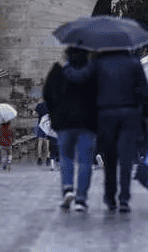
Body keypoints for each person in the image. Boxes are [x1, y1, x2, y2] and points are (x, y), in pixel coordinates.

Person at [89, 48, 148, 213]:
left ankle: (110, 196)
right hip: (129, 114)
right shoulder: (133, 63)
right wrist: (146, 117)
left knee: (109, 158)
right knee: (126, 158)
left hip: (105, 114)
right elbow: (145, 92)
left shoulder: (98, 64)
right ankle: (124, 197)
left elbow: (90, 91)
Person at [44, 46, 98, 212]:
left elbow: (47, 95)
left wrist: (54, 114)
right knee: (84, 161)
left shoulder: (57, 72)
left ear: (67, 54)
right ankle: (81, 199)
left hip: (64, 123)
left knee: (65, 157)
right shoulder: (93, 73)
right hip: (87, 124)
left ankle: (68, 188)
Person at [34, 101, 51, 167]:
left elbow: (36, 113)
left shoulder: (39, 105)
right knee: (47, 142)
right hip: (47, 125)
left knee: (40, 142)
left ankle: (39, 158)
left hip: (40, 125)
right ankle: (48, 158)